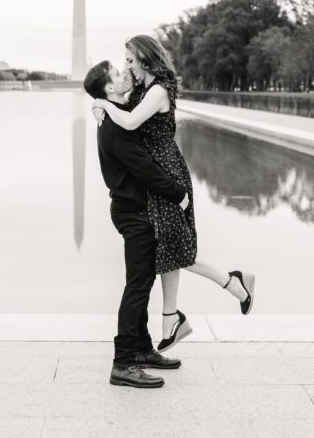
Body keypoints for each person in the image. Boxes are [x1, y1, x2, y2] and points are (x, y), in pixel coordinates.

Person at [91, 35, 255, 352]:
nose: (126, 67)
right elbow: (120, 108)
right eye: (123, 62)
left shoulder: (158, 90)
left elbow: (129, 121)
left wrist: (101, 104)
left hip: (166, 175)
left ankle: (234, 284)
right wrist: (102, 103)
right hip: (154, 175)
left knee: (176, 249)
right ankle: (172, 318)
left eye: (129, 60)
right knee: (169, 247)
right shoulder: (141, 89)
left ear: (144, 58)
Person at [84, 60, 189, 389]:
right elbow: (143, 167)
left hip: (132, 209)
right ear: (110, 88)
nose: (124, 72)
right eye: (117, 73)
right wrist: (177, 193)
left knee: (142, 283)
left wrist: (99, 103)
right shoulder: (116, 127)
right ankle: (124, 363)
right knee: (138, 287)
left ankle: (142, 350)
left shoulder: (115, 114)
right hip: (134, 212)